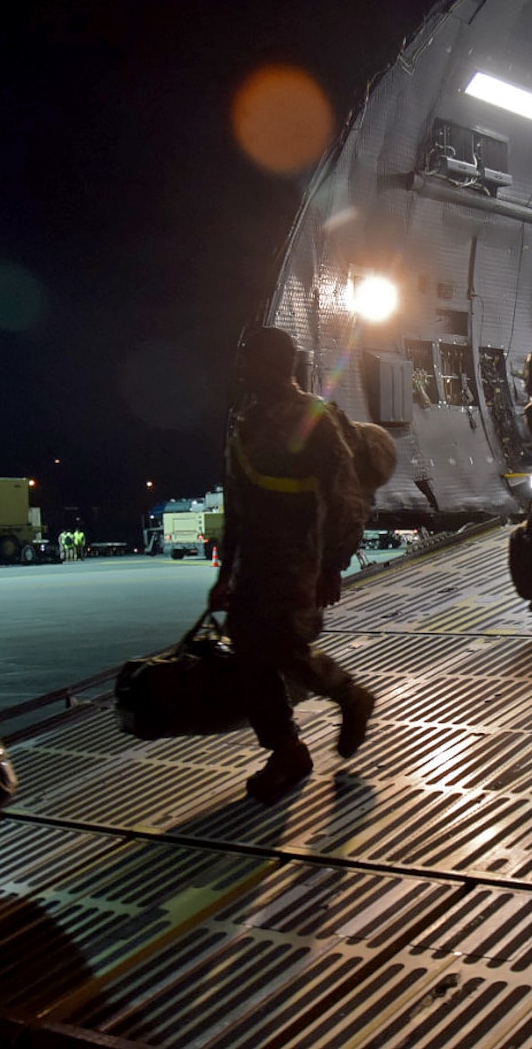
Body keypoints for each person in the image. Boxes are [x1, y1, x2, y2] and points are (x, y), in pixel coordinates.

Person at [208, 327, 378, 805]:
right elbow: (236, 504)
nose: (242, 368)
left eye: (250, 359)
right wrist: (225, 576)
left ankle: (348, 697)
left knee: (282, 647)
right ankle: (286, 749)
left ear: (275, 364)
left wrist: (332, 565)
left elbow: (346, 497)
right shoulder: (246, 422)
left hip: (299, 556)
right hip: (256, 562)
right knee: (249, 653)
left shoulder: (315, 418)